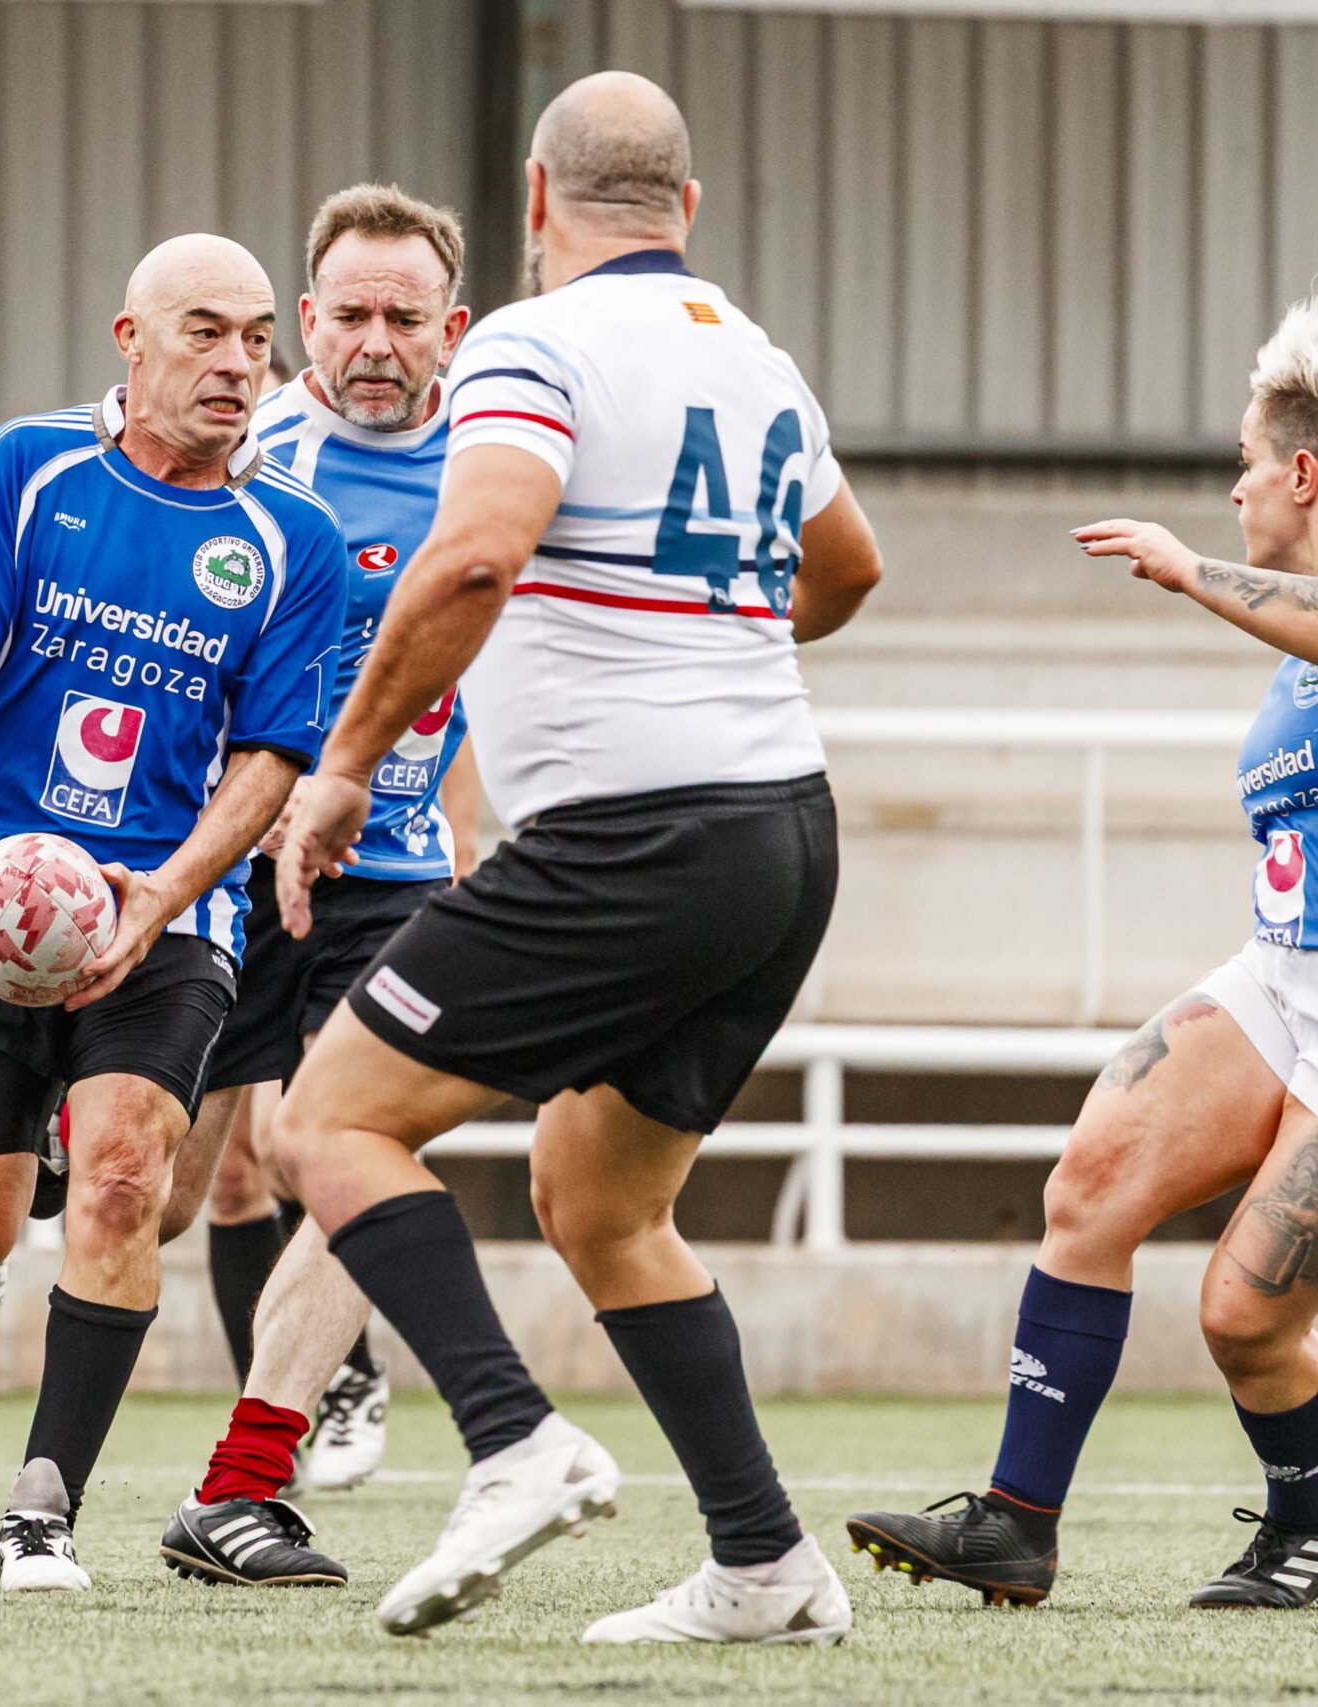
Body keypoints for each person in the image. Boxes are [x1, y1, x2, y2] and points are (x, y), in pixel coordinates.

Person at [258, 71, 886, 1644]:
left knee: (328, 1122)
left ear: (536, 202)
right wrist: (716, 636)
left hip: (635, 827)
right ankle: (765, 1560)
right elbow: (850, 568)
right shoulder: (755, 357)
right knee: (600, 1197)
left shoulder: (535, 343)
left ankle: (511, 1435)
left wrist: (341, 772)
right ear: (689, 207)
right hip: (783, 828)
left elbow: (476, 551)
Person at [847, 290, 1318, 1612]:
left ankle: (1311, 1522)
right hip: (1292, 968)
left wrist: (1183, 566)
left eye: (1241, 463)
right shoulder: (1299, 638)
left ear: (1302, 472)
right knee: (1091, 1179)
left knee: (1243, 1312)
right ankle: (1015, 1519)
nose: (1230, 492)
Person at [0, 234, 349, 1592]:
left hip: (166, 917)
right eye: (205, 332)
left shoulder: (292, 539)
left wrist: (167, 893)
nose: (237, 363)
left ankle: (43, 1509)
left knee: (130, 1176)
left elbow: (270, 755)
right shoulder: (25, 471)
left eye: (258, 338)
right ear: (128, 339)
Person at [155, 185, 486, 1590]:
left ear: (449, 328)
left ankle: (252, 1473)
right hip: (239, 868)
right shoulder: (257, 459)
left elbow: (492, 674)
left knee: (339, 1140)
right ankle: (319, 1367)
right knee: (185, 1186)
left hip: (395, 872)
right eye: (348, 313)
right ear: (307, 322)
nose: (374, 340)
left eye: (405, 317)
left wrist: (472, 838)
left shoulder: (499, 463)